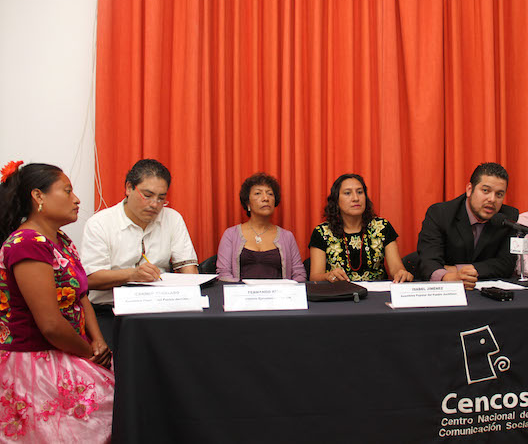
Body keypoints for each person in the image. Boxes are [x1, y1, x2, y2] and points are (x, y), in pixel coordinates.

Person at [0, 161, 114, 442]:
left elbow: (80, 294)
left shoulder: (60, 240)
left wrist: (98, 338)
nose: (76, 199)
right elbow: (50, 324)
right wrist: (89, 352)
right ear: (38, 197)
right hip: (36, 361)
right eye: (67, 191)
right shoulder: (26, 244)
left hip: (69, 348)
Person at [81, 159, 198, 349]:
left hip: (159, 307)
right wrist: (132, 275)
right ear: (129, 187)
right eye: (148, 195)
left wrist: (192, 294)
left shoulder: (172, 218)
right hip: (110, 312)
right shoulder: (100, 224)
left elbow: (188, 268)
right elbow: (91, 279)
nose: (155, 205)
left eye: (161, 198)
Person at [417, 162, 518, 287]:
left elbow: (505, 265)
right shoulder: (441, 214)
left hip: (485, 292)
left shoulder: (508, 217)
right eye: (485, 190)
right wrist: (448, 277)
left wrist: (459, 269)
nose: (492, 199)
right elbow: (428, 260)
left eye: (499, 194)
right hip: (445, 291)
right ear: (469, 190)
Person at [308, 174, 413, 283]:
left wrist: (401, 273)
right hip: (339, 294)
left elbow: (396, 267)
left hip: (377, 295)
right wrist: (328, 276)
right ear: (336, 201)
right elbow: (315, 277)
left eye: (359, 192)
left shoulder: (382, 227)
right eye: (348, 193)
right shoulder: (322, 232)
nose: (356, 198)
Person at [217, 173, 305, 282]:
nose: (265, 198)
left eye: (270, 194)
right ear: (247, 203)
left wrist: (287, 290)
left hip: (279, 296)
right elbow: (223, 273)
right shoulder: (231, 234)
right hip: (242, 296)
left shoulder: (287, 236)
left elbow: (299, 273)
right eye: (258, 193)